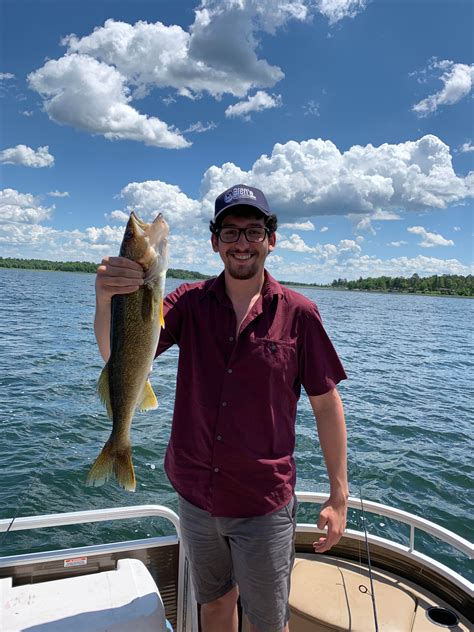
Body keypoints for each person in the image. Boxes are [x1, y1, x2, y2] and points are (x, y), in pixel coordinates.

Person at [94, 184, 349, 632]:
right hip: (195, 496)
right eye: (230, 232)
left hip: (262, 505)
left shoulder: (300, 314)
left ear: (272, 238)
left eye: (253, 231)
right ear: (215, 242)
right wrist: (105, 298)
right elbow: (118, 357)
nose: (242, 243)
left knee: (268, 622)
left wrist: (338, 495)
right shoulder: (187, 303)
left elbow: (327, 406)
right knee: (213, 606)